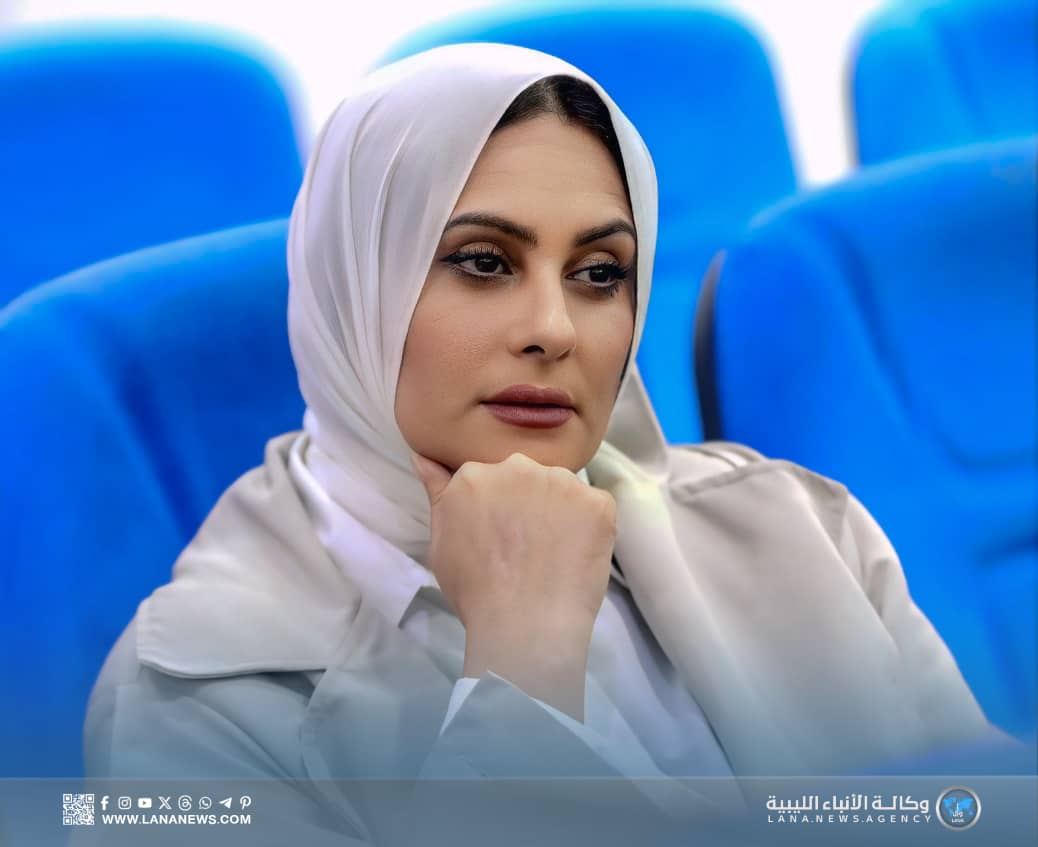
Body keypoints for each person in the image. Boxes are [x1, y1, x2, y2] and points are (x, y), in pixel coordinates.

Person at [77, 42, 1004, 847]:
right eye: (484, 263)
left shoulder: (802, 526)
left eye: (599, 273)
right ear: (357, 288)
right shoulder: (192, 696)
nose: (554, 329)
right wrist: (521, 666)